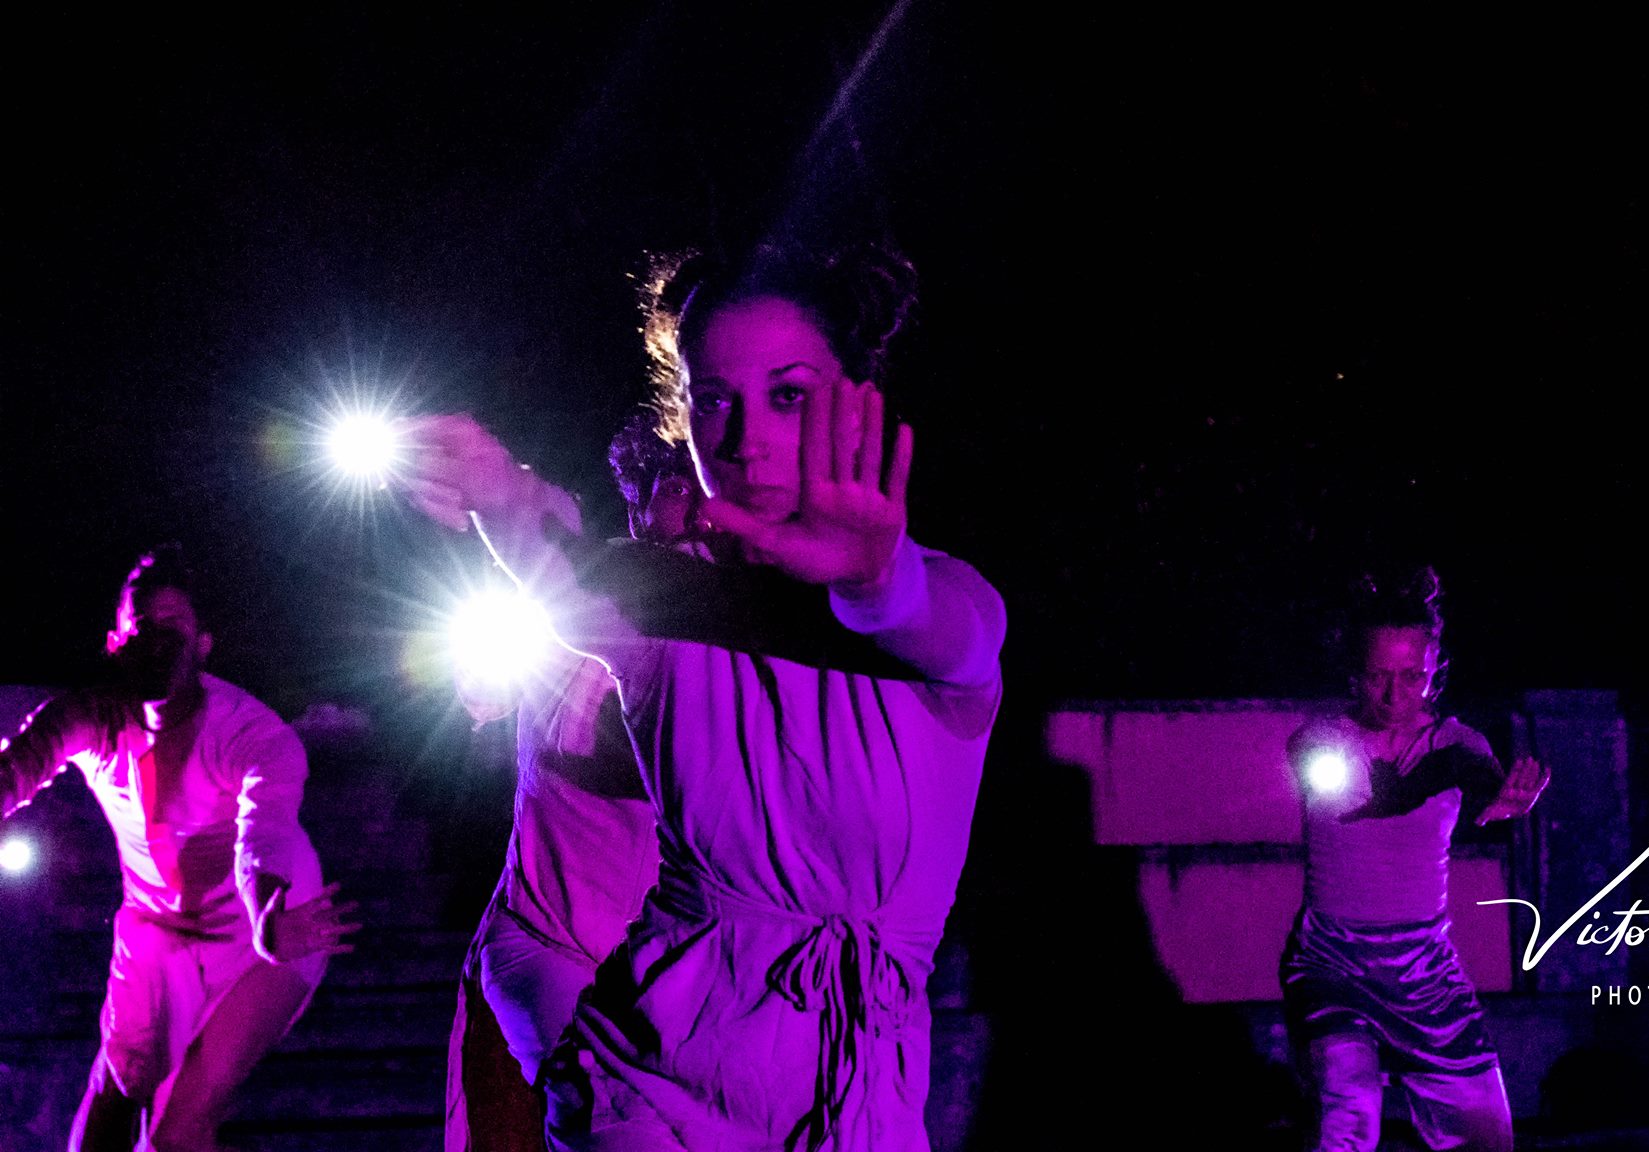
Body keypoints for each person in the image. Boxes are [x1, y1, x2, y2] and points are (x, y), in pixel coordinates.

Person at [403, 243, 1005, 1152]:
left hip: (861, 1107)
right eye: (712, 399)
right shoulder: (658, 616)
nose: (743, 439)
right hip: (648, 1101)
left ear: (857, 402)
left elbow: (953, 631)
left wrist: (876, 582)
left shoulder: (943, 609)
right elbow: (560, 554)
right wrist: (494, 487)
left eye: (788, 395)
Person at [0, 545, 359, 1152]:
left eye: (173, 629)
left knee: (178, 1131)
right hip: (157, 930)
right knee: (114, 1101)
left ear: (203, 645)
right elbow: (16, 771)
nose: (156, 644)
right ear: (115, 644)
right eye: (141, 629)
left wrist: (269, 918)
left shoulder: (252, 734)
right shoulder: (89, 718)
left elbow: (262, 835)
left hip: (272, 930)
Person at [445, 411, 695, 1152]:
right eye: (680, 488)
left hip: (682, 982)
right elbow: (538, 525)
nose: (705, 516)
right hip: (546, 950)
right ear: (640, 506)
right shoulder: (570, 607)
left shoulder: (761, 642)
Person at [1282, 569, 1548, 1152]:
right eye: (1378, 676)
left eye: (1411, 677)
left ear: (1433, 671)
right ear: (1355, 673)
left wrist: (1502, 801)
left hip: (1424, 972)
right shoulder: (1322, 740)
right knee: (1350, 1113)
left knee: (1486, 1138)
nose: (1393, 695)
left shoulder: (1457, 745)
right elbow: (1319, 768)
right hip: (1333, 964)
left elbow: (1479, 782)